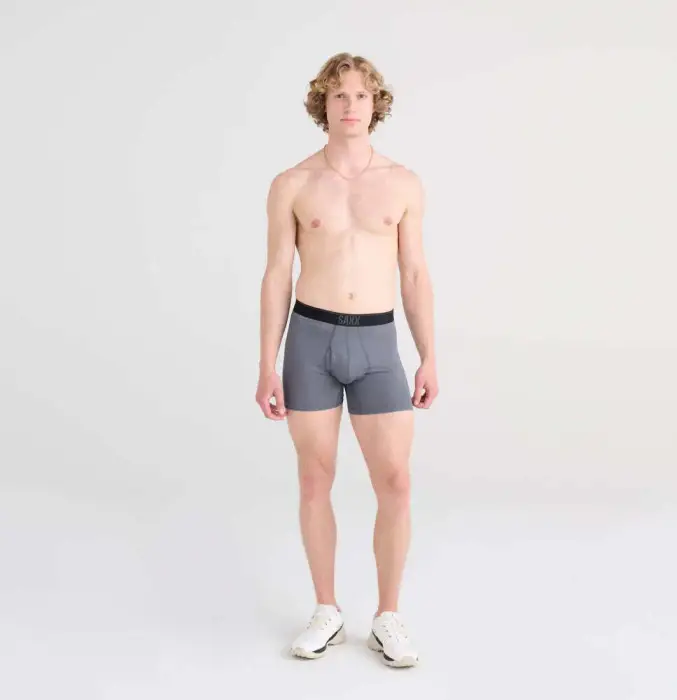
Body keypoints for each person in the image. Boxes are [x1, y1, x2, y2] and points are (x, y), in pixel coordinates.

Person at [255, 52, 438, 668]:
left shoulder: (403, 182)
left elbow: (414, 273)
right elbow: (277, 275)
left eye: (361, 95)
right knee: (315, 478)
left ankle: (388, 616)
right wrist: (266, 363)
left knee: (396, 481)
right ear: (323, 105)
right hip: (311, 341)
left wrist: (429, 356)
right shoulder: (292, 184)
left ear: (375, 104)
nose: (350, 105)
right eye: (338, 96)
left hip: (378, 343)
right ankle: (326, 610)